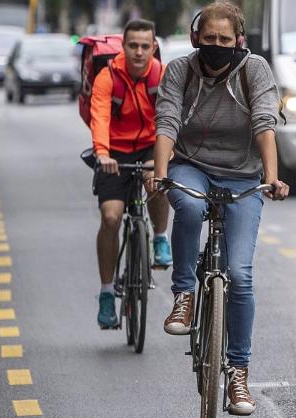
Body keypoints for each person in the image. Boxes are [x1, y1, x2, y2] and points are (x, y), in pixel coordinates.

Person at [146, 2, 289, 416]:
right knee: (188, 207)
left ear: (238, 42)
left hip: (243, 175)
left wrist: (272, 178)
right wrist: (159, 174)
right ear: (195, 38)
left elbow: (265, 123)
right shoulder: (180, 71)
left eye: (225, 40)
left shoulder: (254, 70)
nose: (216, 45)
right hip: (192, 167)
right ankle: (184, 294)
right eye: (209, 38)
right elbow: (167, 122)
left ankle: (238, 374)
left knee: (241, 276)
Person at [90, 19, 172, 330]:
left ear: (154, 48)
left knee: (156, 178)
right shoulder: (107, 76)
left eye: (145, 46)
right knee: (111, 217)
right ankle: (107, 293)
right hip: (115, 151)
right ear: (123, 48)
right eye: (133, 46)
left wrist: (170, 152)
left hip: (153, 144)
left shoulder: (162, 76)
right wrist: (102, 153)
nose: (139, 52)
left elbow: (172, 115)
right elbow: (99, 115)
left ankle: (160, 238)